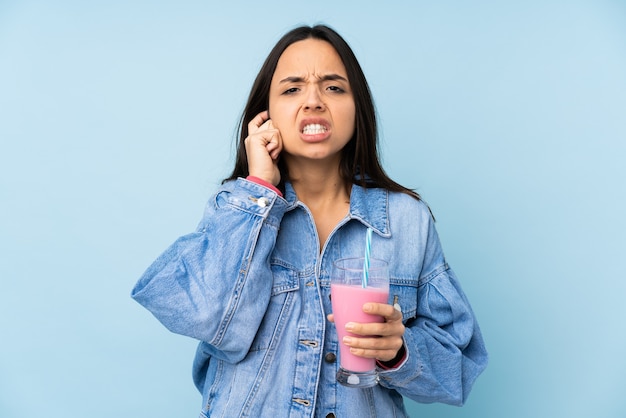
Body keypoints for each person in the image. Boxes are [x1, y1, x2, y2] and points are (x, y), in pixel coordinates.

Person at [131, 24, 487, 417]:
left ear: (358, 108)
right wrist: (259, 189)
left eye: (334, 87)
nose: (314, 101)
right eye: (292, 88)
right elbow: (200, 313)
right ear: (265, 115)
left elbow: (458, 368)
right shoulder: (236, 209)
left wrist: (399, 351)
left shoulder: (406, 221)